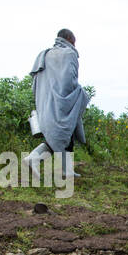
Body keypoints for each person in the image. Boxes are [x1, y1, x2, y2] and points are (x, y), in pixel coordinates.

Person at [23, 29, 89, 181]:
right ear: (69, 39)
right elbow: (69, 81)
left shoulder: (44, 55)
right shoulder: (70, 54)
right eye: (74, 42)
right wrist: (78, 95)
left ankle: (67, 170)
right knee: (63, 133)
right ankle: (34, 158)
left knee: (60, 136)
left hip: (45, 102)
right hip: (63, 102)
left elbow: (36, 83)